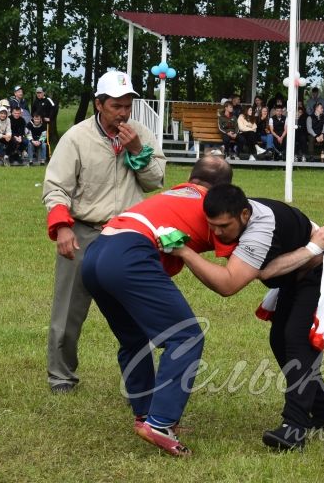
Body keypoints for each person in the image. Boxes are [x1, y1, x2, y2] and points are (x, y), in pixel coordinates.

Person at [171, 184, 324, 452]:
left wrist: (314, 249)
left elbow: (262, 274)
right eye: (212, 225)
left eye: (224, 226)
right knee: (280, 340)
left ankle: (294, 428)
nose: (217, 232)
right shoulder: (234, 217)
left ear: (244, 214)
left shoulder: (260, 228)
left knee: (297, 339)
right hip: (298, 273)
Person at [81, 157, 235, 457]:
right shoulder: (215, 207)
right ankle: (160, 422)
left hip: (96, 252)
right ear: (223, 190)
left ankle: (145, 414)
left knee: (133, 339)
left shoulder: (173, 194)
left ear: (191, 178)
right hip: (129, 253)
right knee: (186, 336)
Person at [42, 70, 166, 394]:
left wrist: (138, 150)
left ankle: (139, 387)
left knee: (134, 313)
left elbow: (155, 181)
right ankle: (61, 379)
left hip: (127, 234)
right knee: (68, 311)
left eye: (127, 106)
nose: (123, 113)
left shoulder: (140, 134)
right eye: (116, 106)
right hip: (83, 231)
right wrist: (63, 227)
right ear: (99, 104)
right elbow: (55, 188)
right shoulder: (77, 138)